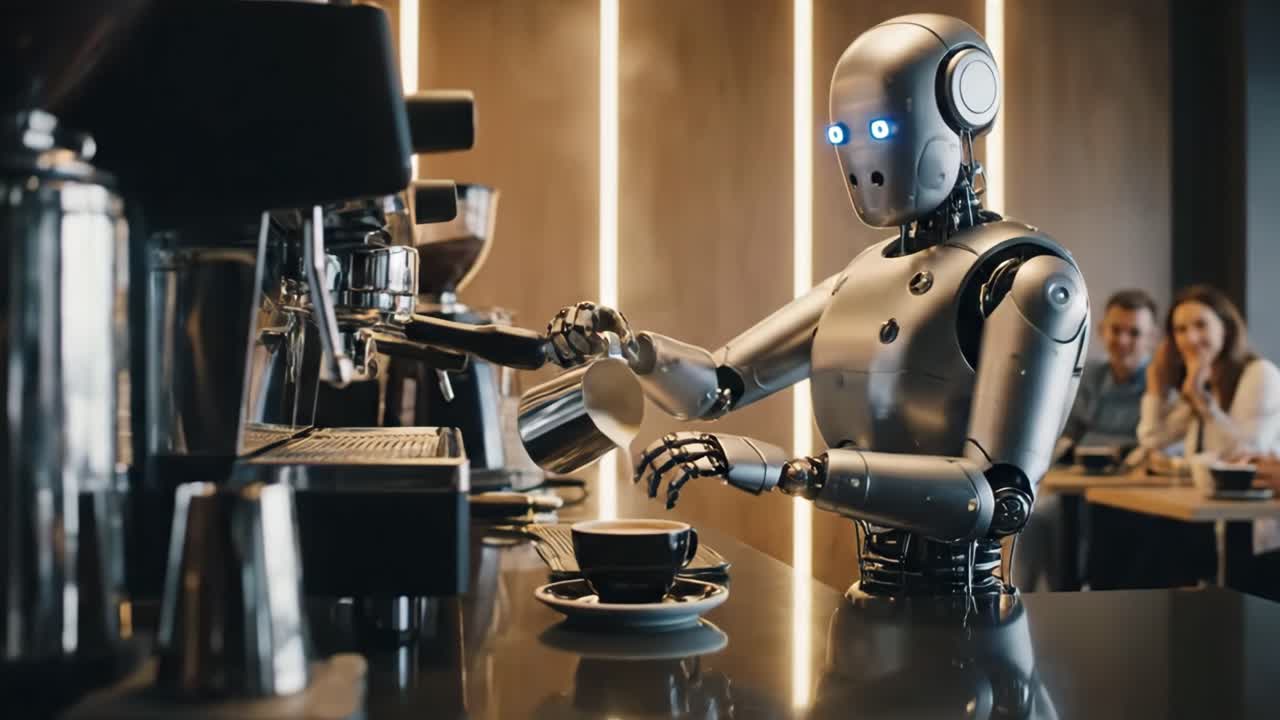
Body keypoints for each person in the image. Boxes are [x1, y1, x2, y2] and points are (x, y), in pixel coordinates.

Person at [1121, 285, 1280, 588]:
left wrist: (1203, 404)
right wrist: (1156, 387)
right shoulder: (1202, 381)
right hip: (1209, 522)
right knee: (1133, 540)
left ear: (1226, 328)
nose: (1190, 338)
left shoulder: (1259, 374)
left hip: (1256, 529)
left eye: (1200, 325)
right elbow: (1153, 438)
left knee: (1149, 551)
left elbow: (1245, 454)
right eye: (1180, 329)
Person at [1014, 290, 1159, 591]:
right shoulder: (1091, 374)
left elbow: (1154, 441)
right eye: (1116, 330)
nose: (1122, 341)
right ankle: (1028, 599)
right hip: (1078, 483)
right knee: (1031, 520)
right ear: (1102, 329)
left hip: (1128, 491)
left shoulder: (1159, 381)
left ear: (1151, 337)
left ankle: (1069, 591)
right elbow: (1069, 430)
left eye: (1134, 333)